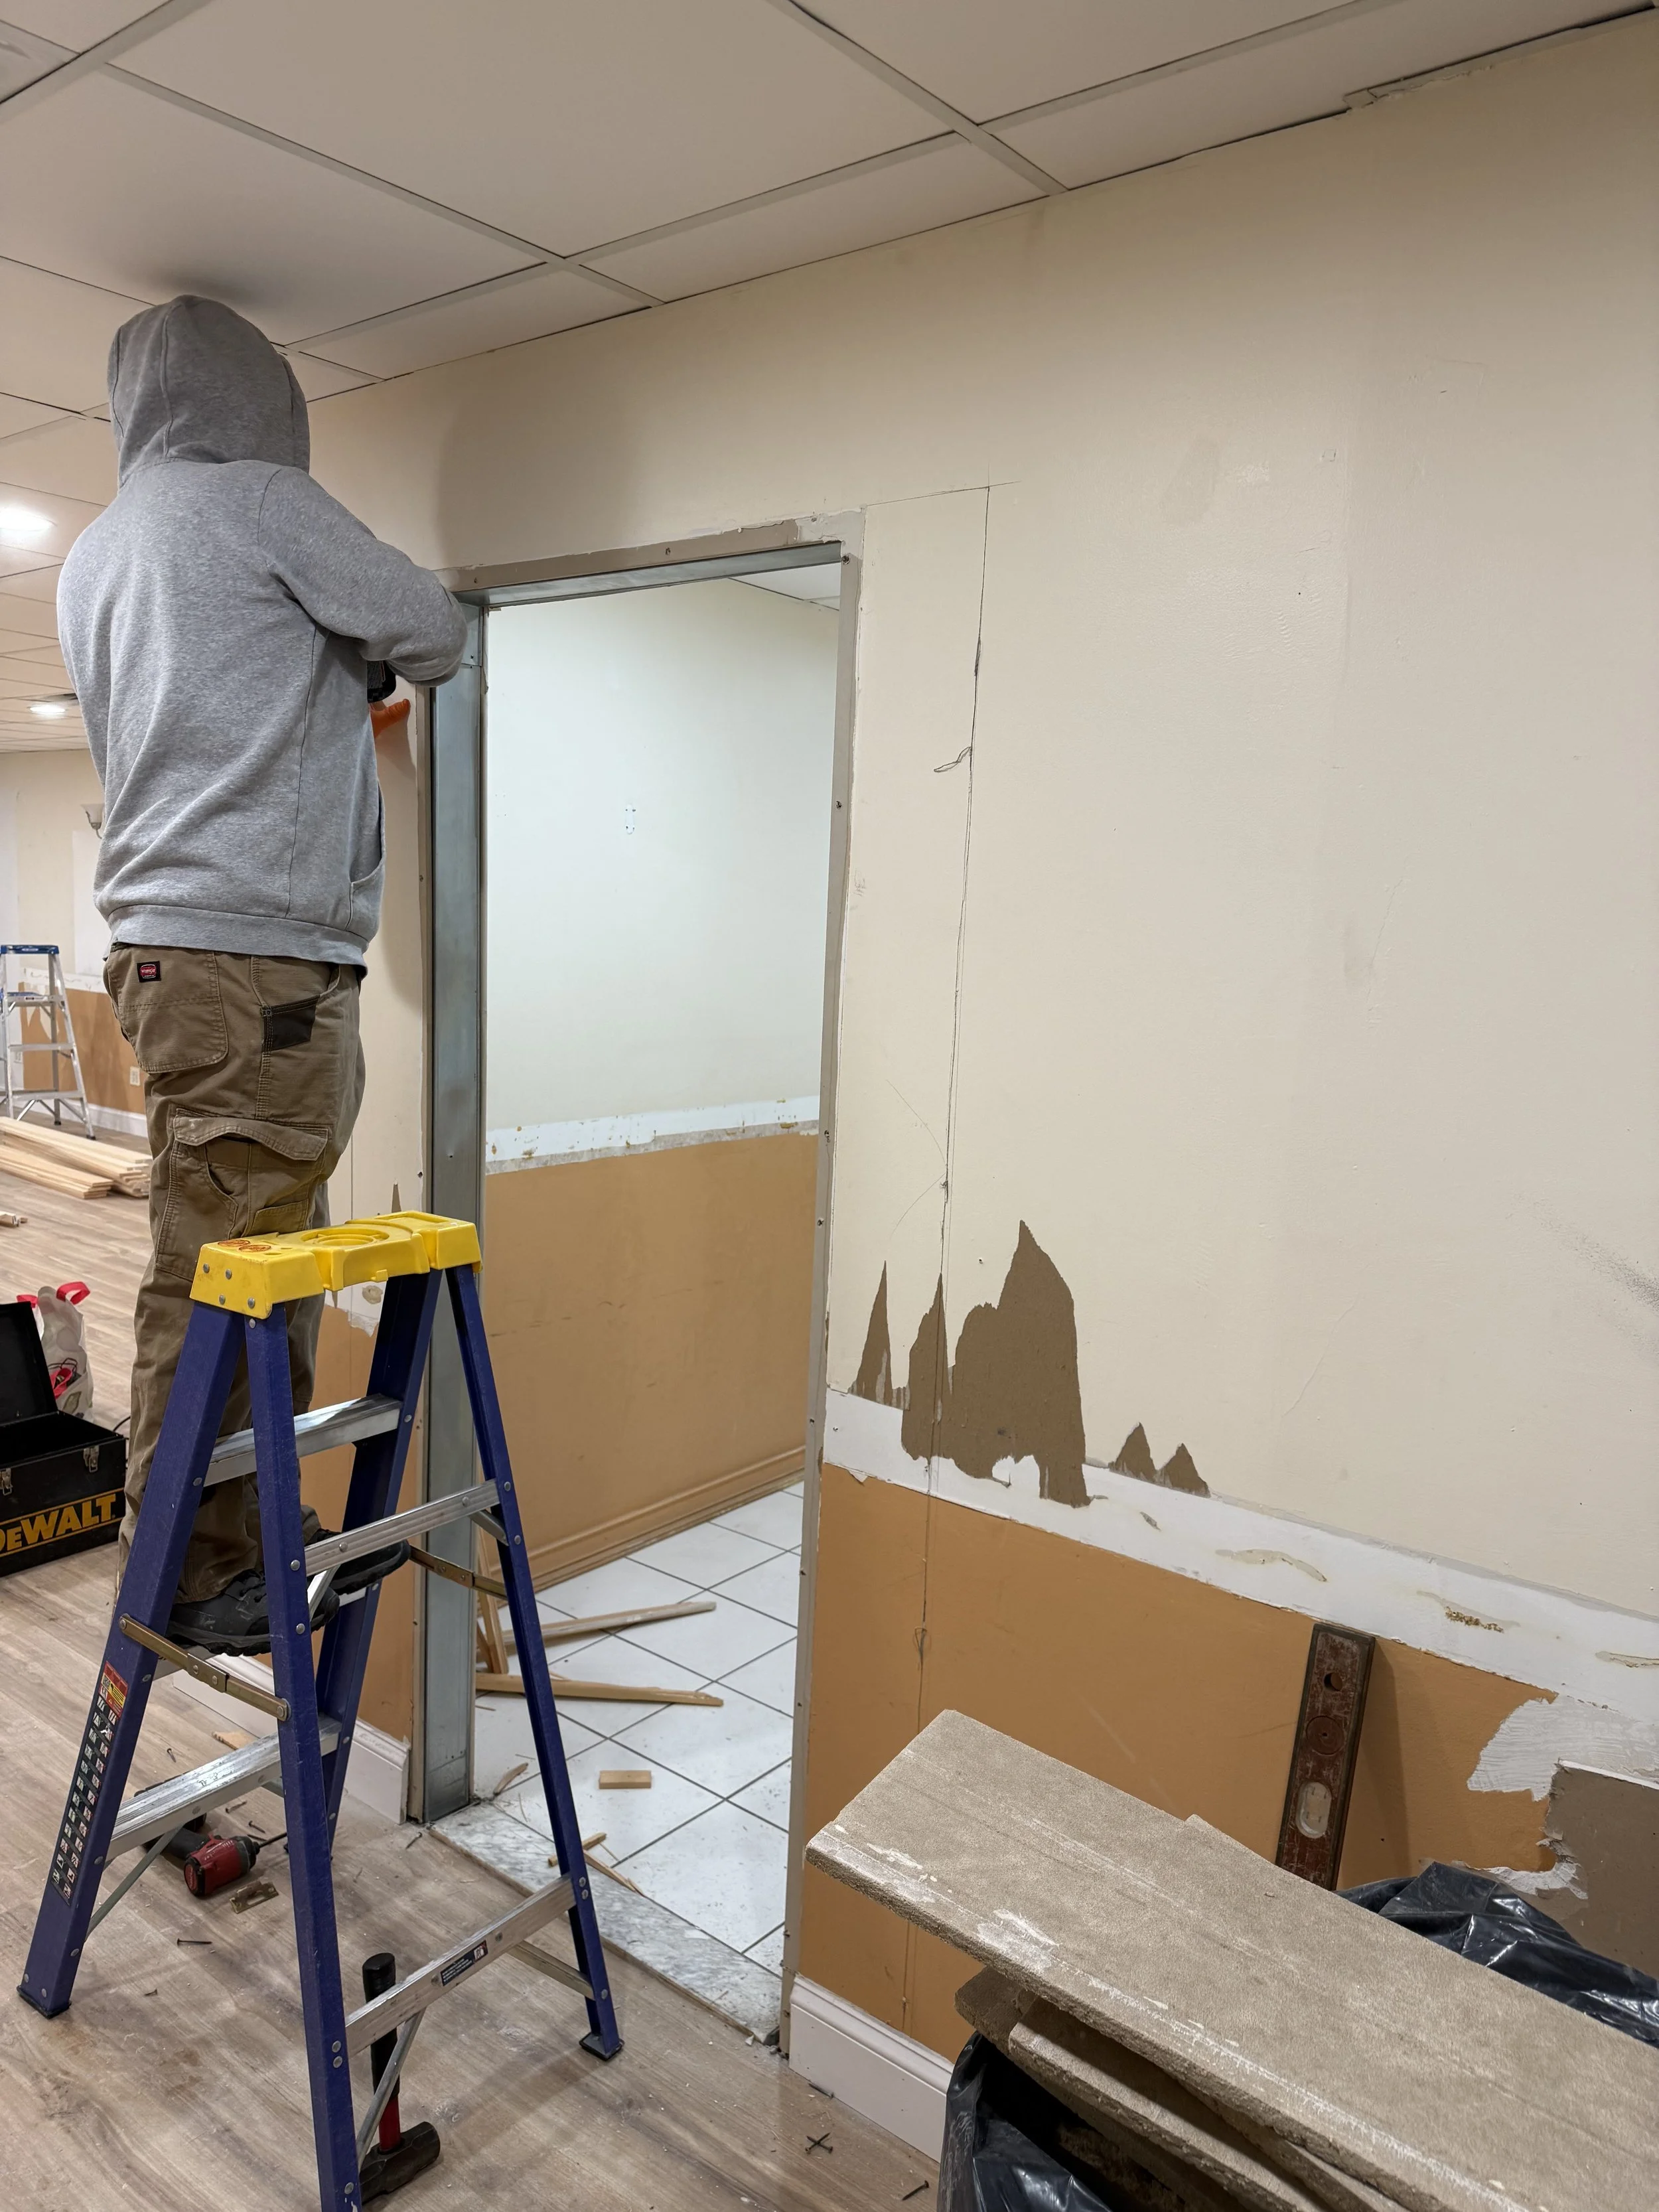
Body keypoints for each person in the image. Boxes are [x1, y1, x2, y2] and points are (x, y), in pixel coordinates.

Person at [57, 295, 467, 1655]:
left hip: (176, 952)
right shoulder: (257, 501)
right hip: (257, 959)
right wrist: (365, 650)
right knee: (226, 1268)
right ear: (257, 398)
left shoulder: (102, 549)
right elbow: (434, 629)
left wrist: (325, 666)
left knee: (246, 1251)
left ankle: (237, 1544)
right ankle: (195, 1570)